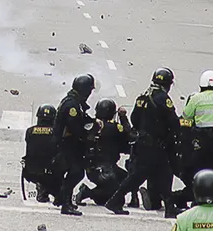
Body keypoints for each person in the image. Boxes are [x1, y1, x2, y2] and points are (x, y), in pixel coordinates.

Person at [106, 67, 180, 217]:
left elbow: (134, 119)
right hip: (155, 145)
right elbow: (174, 122)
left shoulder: (142, 97)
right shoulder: (163, 99)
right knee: (140, 176)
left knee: (162, 173)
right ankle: (115, 200)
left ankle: (170, 207)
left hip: (143, 143)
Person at [54, 74, 96, 216]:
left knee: (75, 172)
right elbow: (75, 127)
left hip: (70, 144)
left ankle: (64, 199)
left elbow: (82, 118)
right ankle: (65, 203)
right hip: (67, 144)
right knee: (76, 173)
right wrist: (87, 137)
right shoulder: (72, 105)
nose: (90, 94)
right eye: (89, 90)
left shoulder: (75, 102)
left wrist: (93, 122)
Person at [78, 99, 132, 206]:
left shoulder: (91, 125)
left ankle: (99, 194)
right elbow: (129, 135)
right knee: (125, 184)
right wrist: (123, 117)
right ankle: (87, 193)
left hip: (91, 168)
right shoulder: (115, 128)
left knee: (123, 181)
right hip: (105, 169)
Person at [22, 104, 60, 203]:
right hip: (50, 171)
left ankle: (43, 187)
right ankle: (46, 188)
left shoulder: (30, 131)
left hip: (30, 170)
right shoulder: (56, 132)